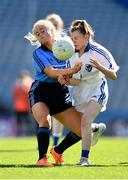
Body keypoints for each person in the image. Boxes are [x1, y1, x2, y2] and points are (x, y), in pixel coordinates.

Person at [58, 19, 119, 166]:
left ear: (86, 37)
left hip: (97, 89)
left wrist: (100, 67)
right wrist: (65, 80)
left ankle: (84, 159)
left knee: (85, 122)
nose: (74, 42)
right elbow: (76, 81)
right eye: (72, 39)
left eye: (76, 38)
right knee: (82, 125)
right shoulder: (71, 54)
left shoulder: (99, 52)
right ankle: (96, 128)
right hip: (80, 92)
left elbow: (113, 76)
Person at [25, 19, 84, 167]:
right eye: (38, 33)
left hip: (59, 92)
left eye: (43, 30)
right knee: (45, 122)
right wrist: (70, 71)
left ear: (52, 30)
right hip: (41, 91)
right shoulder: (38, 53)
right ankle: (42, 159)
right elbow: (50, 72)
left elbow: (72, 69)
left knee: (82, 130)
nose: (41, 34)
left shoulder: (67, 47)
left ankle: (58, 150)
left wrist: (69, 76)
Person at [45, 13, 65, 146]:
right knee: (52, 113)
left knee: (57, 114)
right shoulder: (46, 41)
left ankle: (55, 141)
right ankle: (51, 140)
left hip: (59, 79)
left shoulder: (62, 40)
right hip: (52, 78)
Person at [12, 69, 34, 136]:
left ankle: (22, 134)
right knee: (25, 121)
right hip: (25, 106)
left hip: (19, 106)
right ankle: (24, 134)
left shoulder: (17, 84)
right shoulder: (26, 84)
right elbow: (28, 94)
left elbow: (14, 95)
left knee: (21, 122)